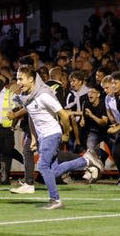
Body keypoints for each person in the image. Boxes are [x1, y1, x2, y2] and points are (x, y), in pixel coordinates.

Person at [14, 66, 102, 209]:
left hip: (52, 134)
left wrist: (66, 133)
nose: (18, 82)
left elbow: (64, 114)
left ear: (31, 79)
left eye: (20, 79)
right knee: (53, 171)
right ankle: (86, 160)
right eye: (17, 78)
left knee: (42, 166)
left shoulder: (43, 95)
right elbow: (32, 118)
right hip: (43, 137)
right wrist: (35, 138)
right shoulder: (28, 97)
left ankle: (55, 200)